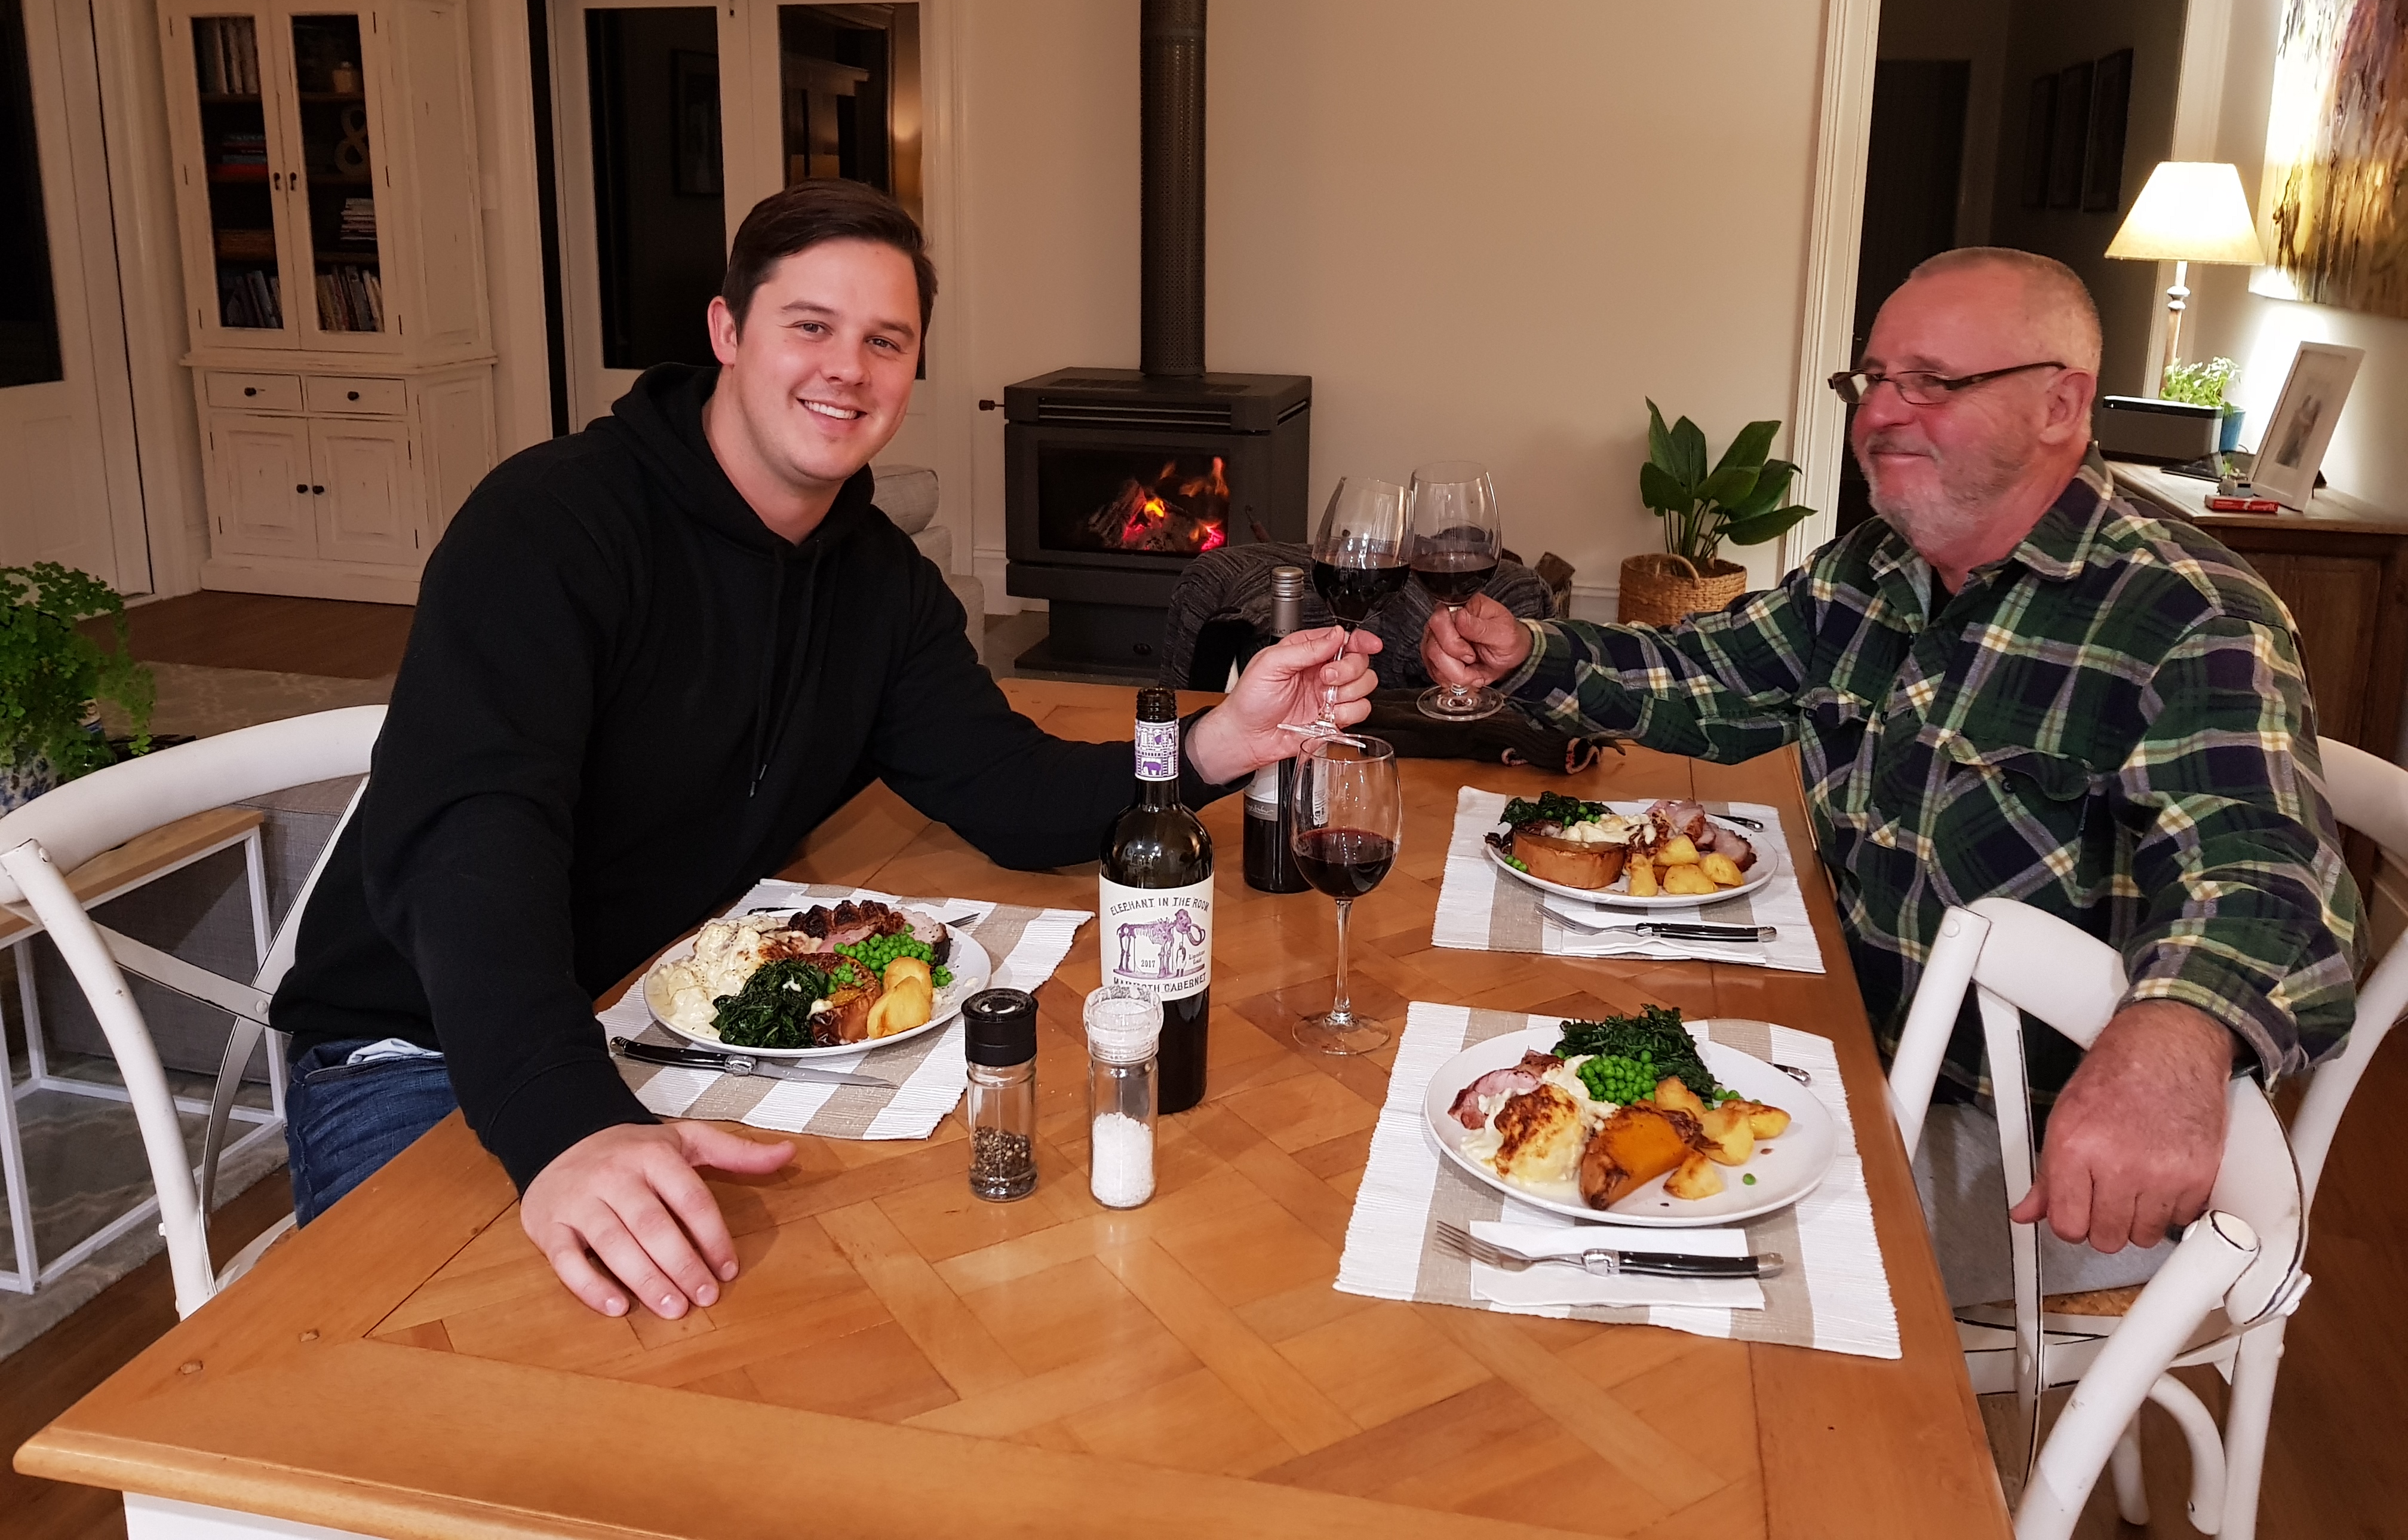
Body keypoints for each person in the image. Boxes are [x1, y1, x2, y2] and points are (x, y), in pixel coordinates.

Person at [271, 180, 1377, 1322]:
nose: (847, 368)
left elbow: (1008, 790)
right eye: (811, 325)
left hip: (669, 1014)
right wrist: (566, 1119)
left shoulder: (879, 583)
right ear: (727, 331)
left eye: (884, 341)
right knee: (461, 1381)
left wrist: (1220, 741)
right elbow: (471, 848)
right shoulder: (549, 525)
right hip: (430, 1050)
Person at [1426, 247, 2357, 1300]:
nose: (1879, 413)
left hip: (2034, 1153)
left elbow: (2270, 881)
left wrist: (2172, 1039)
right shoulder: (1874, 571)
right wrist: (1533, 654)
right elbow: (1709, 675)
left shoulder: (2189, 615)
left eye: (1933, 382)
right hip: (1843, 1055)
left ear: (2062, 404)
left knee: (1537, 1245)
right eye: (1872, 380)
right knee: (1504, 1107)